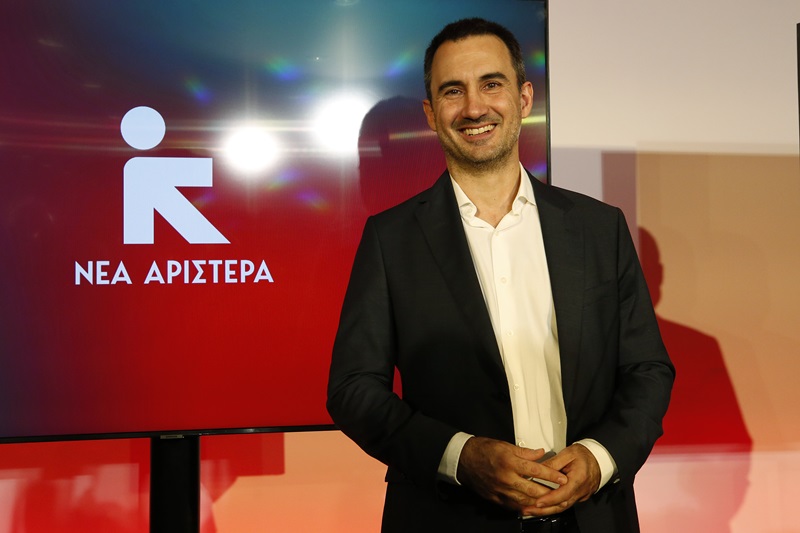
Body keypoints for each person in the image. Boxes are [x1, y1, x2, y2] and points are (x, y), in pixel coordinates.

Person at [327, 17, 673, 533]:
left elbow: (648, 369)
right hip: (448, 519)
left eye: (492, 84)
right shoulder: (390, 238)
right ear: (431, 114)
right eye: (453, 91)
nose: (474, 108)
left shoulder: (599, 228)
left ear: (524, 98)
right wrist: (460, 456)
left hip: (592, 519)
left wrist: (600, 459)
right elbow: (353, 389)